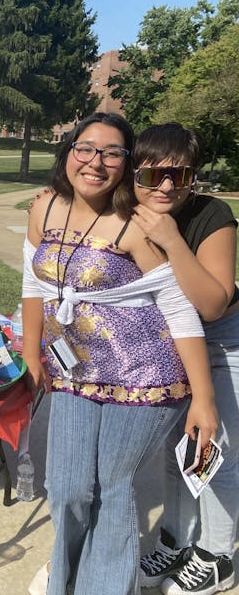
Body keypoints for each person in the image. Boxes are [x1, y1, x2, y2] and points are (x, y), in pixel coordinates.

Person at [21, 113, 218, 594]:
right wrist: (31, 352)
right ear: (68, 152)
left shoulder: (135, 224)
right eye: (85, 148)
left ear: (125, 165)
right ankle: (63, 579)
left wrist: (204, 399)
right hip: (74, 369)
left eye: (112, 152)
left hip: (146, 374)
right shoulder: (43, 207)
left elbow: (179, 308)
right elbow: (33, 281)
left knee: (111, 487)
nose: (96, 161)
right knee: (67, 488)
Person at [131, 124, 238, 595]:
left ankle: (218, 554)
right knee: (179, 454)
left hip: (220, 344)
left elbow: (213, 303)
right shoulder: (125, 211)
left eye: (180, 174)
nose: (168, 186)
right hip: (169, 344)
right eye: (155, 175)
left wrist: (172, 241)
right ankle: (177, 539)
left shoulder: (211, 214)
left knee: (217, 452)